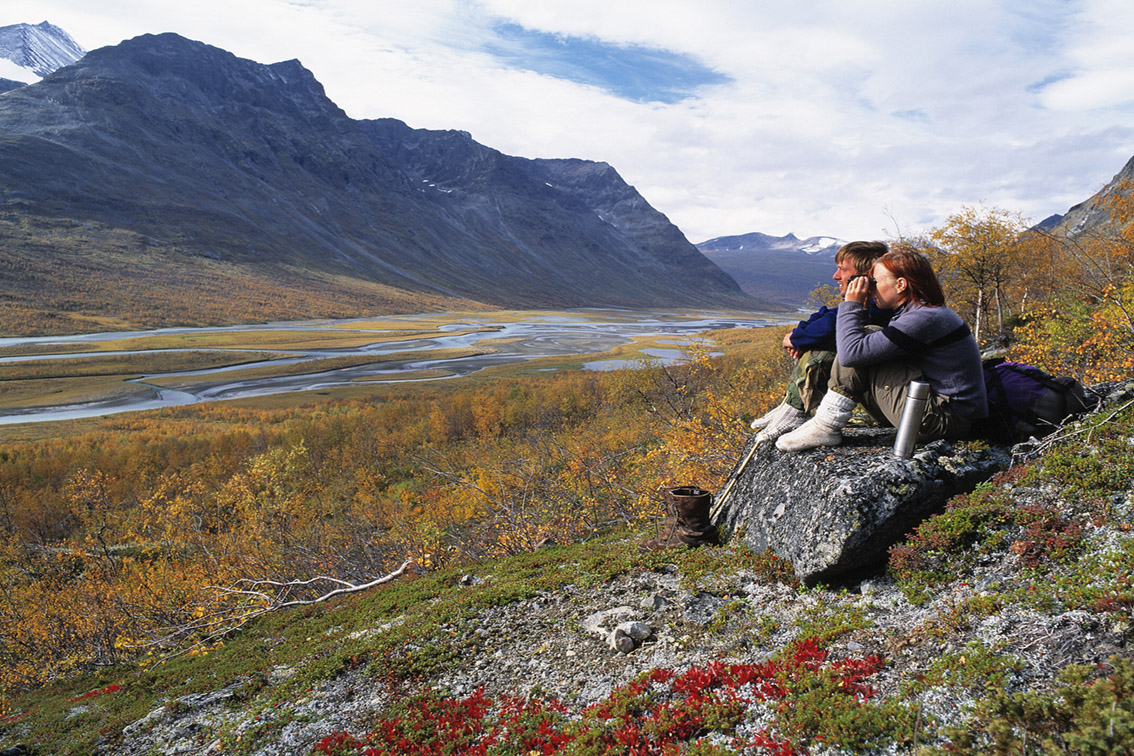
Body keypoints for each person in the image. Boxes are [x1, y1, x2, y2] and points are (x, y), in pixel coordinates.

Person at [775, 248, 987, 452]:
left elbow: (851, 354)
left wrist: (852, 305)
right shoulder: (917, 312)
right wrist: (864, 309)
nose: (871, 288)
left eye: (875, 282)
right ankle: (815, 420)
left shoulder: (925, 317)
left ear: (901, 284)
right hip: (938, 414)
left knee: (865, 336)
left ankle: (825, 426)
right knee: (864, 340)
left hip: (942, 420)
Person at [752, 240, 892, 442]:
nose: (836, 276)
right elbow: (826, 316)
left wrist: (798, 339)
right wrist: (800, 337)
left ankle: (795, 412)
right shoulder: (871, 303)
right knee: (827, 341)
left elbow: (828, 328)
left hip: (891, 406)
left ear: (863, 278)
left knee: (827, 350)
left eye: (842, 270)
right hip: (881, 397)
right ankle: (791, 406)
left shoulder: (879, 308)